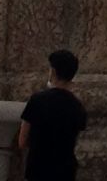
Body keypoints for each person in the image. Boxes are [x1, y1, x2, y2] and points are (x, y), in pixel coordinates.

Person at [19, 48, 86, 181]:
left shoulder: (37, 100)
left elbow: (22, 140)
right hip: (65, 172)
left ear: (53, 71)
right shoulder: (78, 107)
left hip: (38, 169)